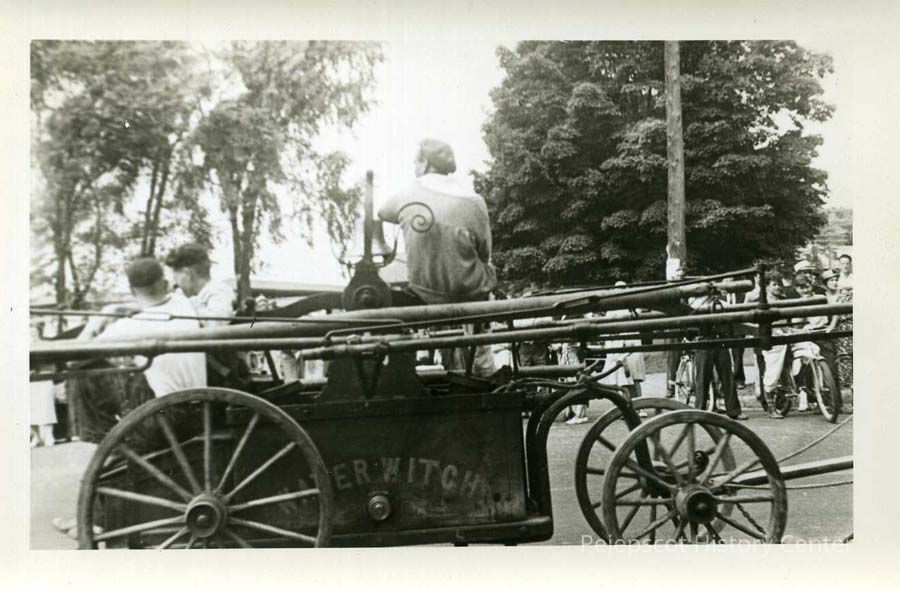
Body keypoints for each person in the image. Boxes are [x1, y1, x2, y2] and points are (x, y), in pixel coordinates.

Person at [54, 257, 208, 539]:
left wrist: (100, 318)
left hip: (166, 419)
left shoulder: (130, 326)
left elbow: (75, 356)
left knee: (85, 372)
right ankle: (97, 510)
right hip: (195, 409)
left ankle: (97, 437)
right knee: (120, 423)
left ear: (131, 290)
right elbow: (154, 305)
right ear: (165, 282)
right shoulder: (182, 305)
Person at [378, 138, 497, 377]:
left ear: (425, 163)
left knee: (449, 353)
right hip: (470, 292)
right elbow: (485, 251)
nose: (414, 167)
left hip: (427, 293)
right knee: (481, 354)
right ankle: (486, 374)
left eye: (416, 162)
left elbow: (383, 212)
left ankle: (454, 372)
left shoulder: (408, 194)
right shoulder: (473, 200)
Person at [687, 290, 747, 420]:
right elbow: (689, 325)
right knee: (702, 378)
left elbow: (729, 318)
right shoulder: (695, 304)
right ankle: (699, 411)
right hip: (703, 342)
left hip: (720, 341)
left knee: (727, 376)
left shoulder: (720, 303)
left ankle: (734, 410)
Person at [164, 243, 236, 326]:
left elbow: (215, 324)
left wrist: (186, 303)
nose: (175, 283)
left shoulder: (219, 292)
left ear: (187, 273)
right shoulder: (186, 295)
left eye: (176, 278)